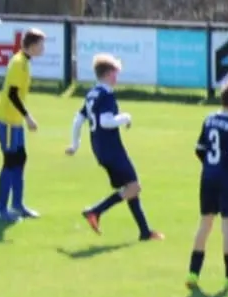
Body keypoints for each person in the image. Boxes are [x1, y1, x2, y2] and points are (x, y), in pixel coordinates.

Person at [67, 54, 160, 241]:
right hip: (112, 149)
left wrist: (75, 144)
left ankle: (145, 232)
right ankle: (95, 211)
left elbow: (78, 120)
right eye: (116, 73)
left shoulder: (92, 94)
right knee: (134, 187)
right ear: (108, 74)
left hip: (100, 149)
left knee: (129, 187)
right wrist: (125, 117)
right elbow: (105, 121)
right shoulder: (106, 95)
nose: (117, 77)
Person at [188, 82, 228, 292]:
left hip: (207, 177)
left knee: (205, 223)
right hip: (226, 180)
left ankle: (193, 273)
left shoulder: (209, 119)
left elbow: (199, 149)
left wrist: (210, 165)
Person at [0, 28, 48, 223]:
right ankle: (0, 209)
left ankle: (17, 205)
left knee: (20, 159)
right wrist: (28, 117)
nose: (43, 48)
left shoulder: (24, 62)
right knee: (10, 162)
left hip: (15, 122)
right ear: (32, 45)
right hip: (8, 120)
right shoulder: (18, 63)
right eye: (41, 44)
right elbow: (12, 94)